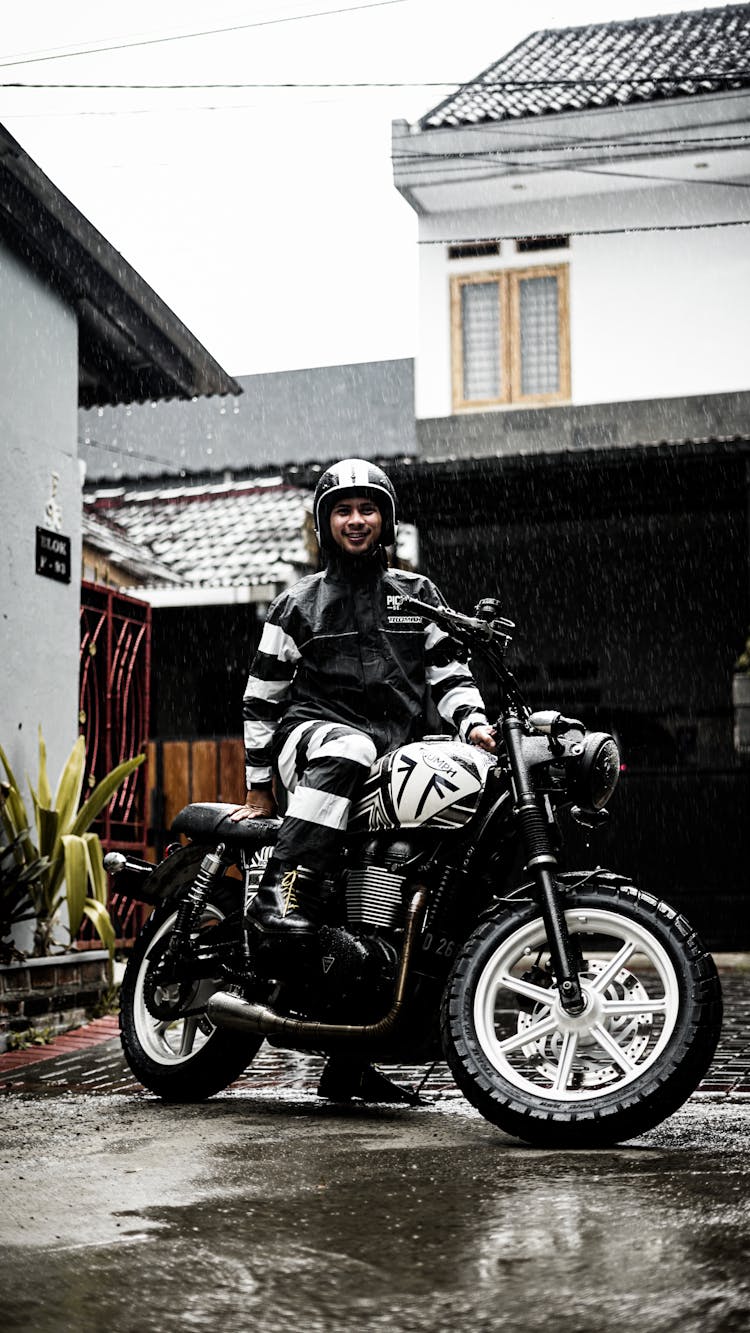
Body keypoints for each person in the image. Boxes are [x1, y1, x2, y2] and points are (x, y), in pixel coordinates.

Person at [231, 458, 495, 1102]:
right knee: (346, 745)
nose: (357, 520)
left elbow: (449, 674)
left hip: (387, 753)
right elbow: (262, 700)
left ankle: (354, 1051)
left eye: (368, 508)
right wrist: (259, 786)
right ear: (325, 522)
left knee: (434, 828)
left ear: (387, 519)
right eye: (343, 509)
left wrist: (476, 726)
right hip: (313, 744)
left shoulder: (416, 596)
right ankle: (282, 895)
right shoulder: (298, 603)